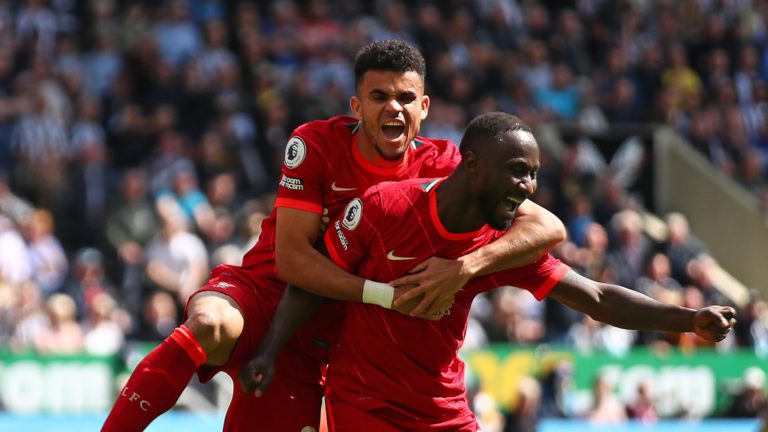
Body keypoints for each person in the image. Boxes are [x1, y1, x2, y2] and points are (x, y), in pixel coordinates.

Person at [102, 40, 565, 431]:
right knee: (209, 324)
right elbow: (294, 262)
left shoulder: (445, 166)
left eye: (405, 97)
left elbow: (548, 226)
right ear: (356, 106)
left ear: (424, 107)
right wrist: (385, 295)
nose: (393, 108)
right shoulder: (316, 144)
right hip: (266, 292)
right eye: (379, 96)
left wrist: (465, 267)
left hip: (327, 328)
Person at [241, 112, 736, 430]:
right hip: (366, 406)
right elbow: (313, 280)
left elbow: (598, 299)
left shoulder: (501, 245)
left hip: (445, 412)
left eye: (535, 173)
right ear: (472, 164)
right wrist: (270, 350)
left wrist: (686, 320)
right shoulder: (385, 207)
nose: (528, 185)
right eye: (519, 170)